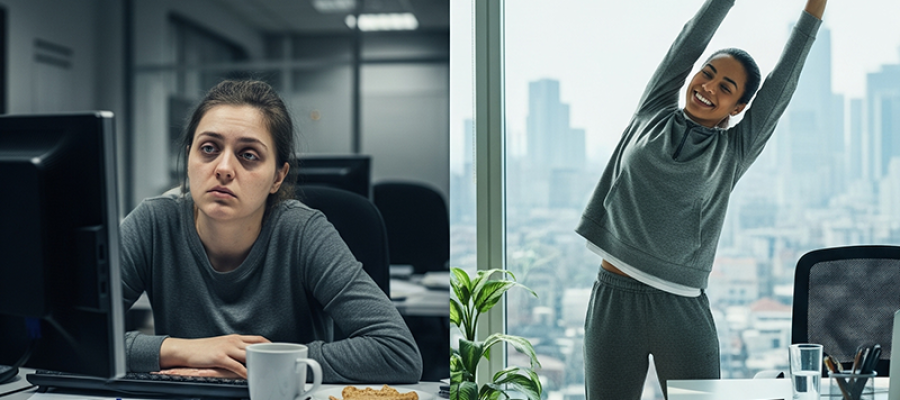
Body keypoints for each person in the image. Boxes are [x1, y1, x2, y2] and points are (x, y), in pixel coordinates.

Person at [576, 0, 827, 398]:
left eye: (725, 88)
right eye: (707, 75)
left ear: (740, 106)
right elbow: (691, 38)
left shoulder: (734, 150)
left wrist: (816, 5)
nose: (708, 87)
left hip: (681, 309)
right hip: (614, 298)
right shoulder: (653, 110)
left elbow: (785, 78)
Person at [120, 80, 423, 383]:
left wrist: (262, 363)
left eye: (248, 155)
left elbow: (396, 351)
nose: (224, 168)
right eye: (209, 149)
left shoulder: (303, 232)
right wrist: (183, 350)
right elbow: (78, 337)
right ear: (189, 159)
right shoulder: (153, 222)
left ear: (278, 176)